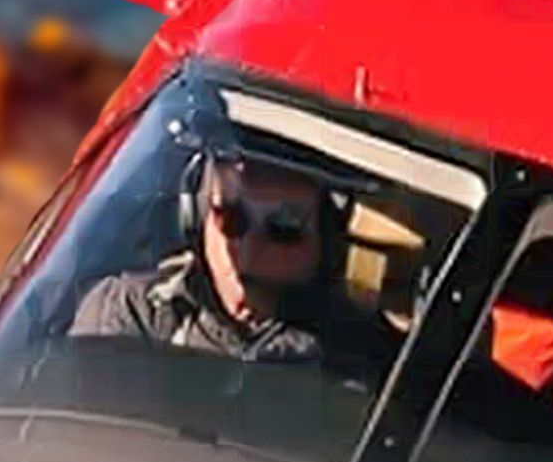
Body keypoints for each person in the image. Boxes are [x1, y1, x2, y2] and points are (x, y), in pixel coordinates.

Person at [67, 151, 394, 379]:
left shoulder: (369, 362)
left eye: (285, 227)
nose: (248, 251)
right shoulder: (128, 315)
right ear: (197, 218)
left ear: (326, 243)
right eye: (232, 217)